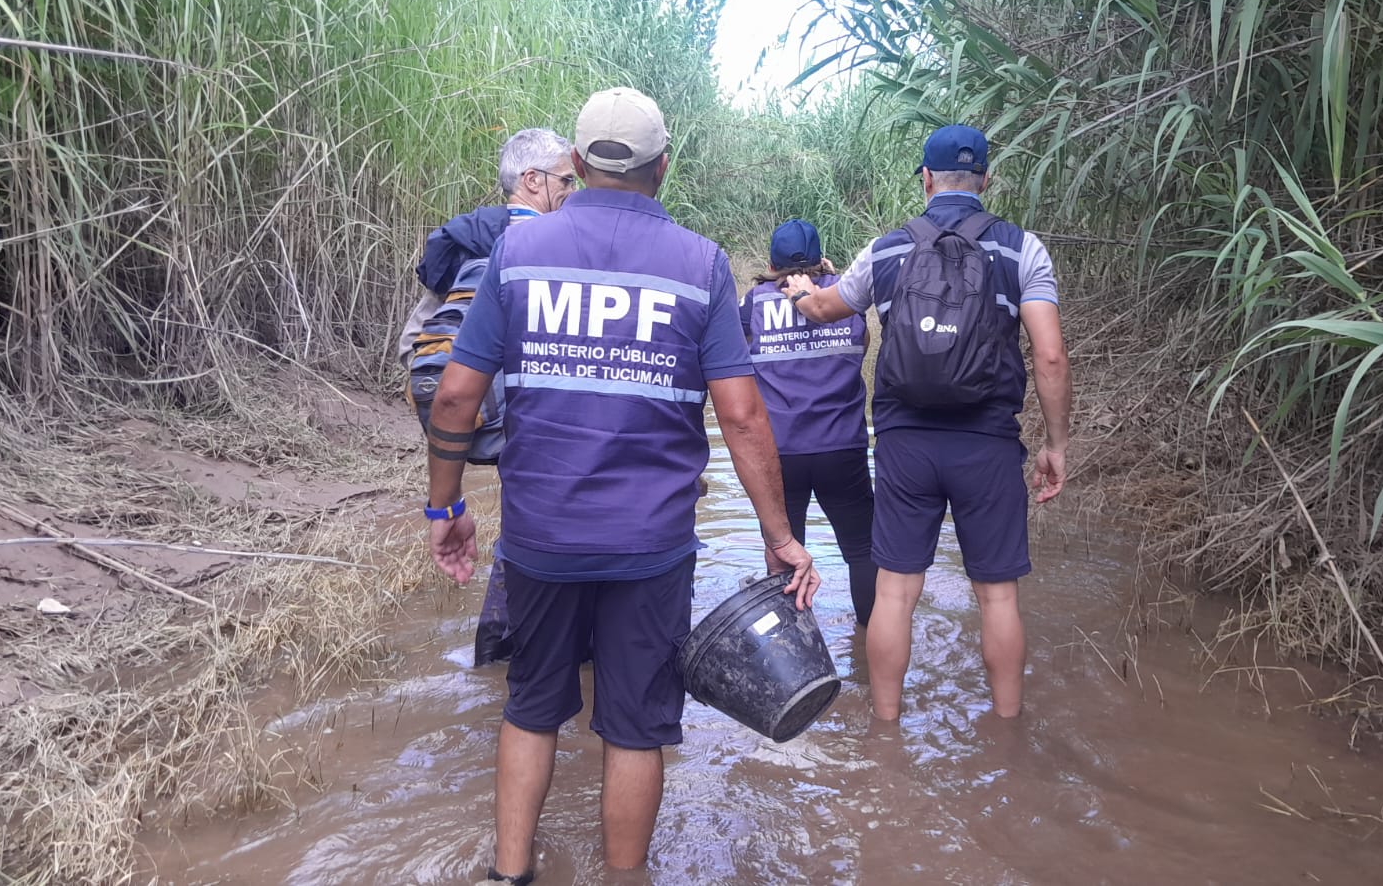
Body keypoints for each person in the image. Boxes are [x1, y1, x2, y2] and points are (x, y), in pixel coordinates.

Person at [420, 87, 820, 884]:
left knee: (531, 706)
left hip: (540, 537)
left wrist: (447, 506)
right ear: (663, 166)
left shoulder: (519, 254)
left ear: (576, 162)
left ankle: (509, 874)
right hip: (651, 545)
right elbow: (742, 418)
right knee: (636, 726)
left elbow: (457, 397)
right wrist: (780, 537)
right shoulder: (700, 264)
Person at [782, 124, 1072, 722]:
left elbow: (825, 309)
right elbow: (1049, 356)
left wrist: (804, 290)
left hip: (905, 443)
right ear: (986, 181)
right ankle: (1007, 730)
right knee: (997, 596)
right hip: (987, 442)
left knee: (894, 592)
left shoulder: (887, 250)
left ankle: (886, 731)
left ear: (926, 180)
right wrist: (1056, 444)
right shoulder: (1022, 249)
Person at [399, 128, 577, 668]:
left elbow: (414, 345)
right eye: (567, 180)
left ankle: (497, 659)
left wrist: (448, 502)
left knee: (522, 534)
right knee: (544, 537)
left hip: (481, 416)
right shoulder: (557, 243)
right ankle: (535, 656)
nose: (574, 190)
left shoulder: (469, 239)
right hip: (539, 423)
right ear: (532, 180)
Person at [739, 219, 876, 627]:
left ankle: (794, 644)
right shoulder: (843, 297)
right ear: (821, 259)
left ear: (771, 264)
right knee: (862, 550)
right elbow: (863, 344)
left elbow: (738, 362)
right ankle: (869, 641)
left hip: (780, 453)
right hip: (842, 447)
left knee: (784, 550)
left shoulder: (753, 304)